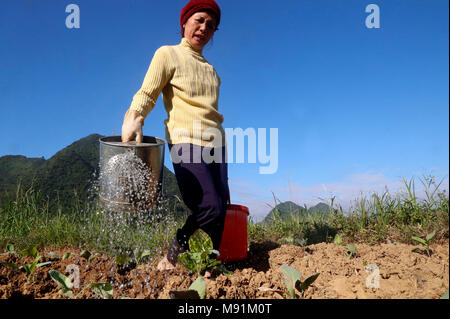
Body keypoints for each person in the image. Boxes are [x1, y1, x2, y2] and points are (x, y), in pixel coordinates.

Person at [121, 0, 229, 272]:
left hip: (217, 144)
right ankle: (172, 257)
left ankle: (206, 266)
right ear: (185, 23)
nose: (204, 28)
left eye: (211, 25)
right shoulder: (167, 54)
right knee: (209, 207)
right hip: (185, 141)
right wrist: (134, 116)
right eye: (199, 20)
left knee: (219, 212)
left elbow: (211, 111)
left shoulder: (212, 72)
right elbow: (148, 91)